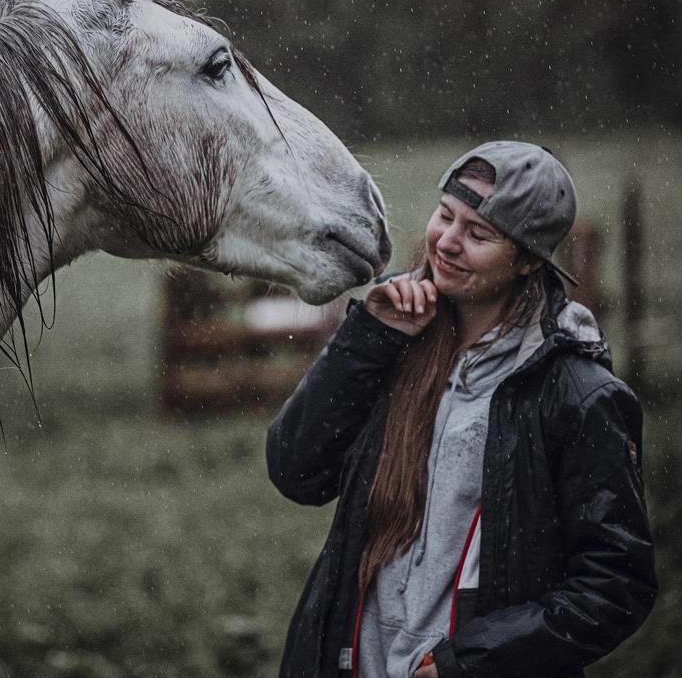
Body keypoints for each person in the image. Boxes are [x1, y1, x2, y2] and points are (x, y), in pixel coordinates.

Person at [266, 142, 656, 678]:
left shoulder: (577, 395)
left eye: (478, 234)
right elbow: (296, 471)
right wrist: (367, 338)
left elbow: (615, 586)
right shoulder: (394, 346)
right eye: (445, 215)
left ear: (525, 260)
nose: (447, 242)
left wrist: (471, 664)